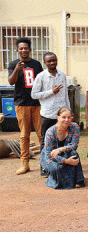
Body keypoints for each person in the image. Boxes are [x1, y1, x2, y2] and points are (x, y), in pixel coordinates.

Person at [8, 37, 44, 175]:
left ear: (30, 50)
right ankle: (25, 163)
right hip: (21, 104)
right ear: (17, 50)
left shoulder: (36, 64)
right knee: (24, 135)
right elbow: (11, 82)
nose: (23, 50)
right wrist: (16, 70)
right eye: (21, 48)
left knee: (42, 134)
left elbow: (42, 81)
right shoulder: (13, 64)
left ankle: (44, 162)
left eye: (26, 48)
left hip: (37, 103)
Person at [31, 52, 70, 177]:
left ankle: (61, 165)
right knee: (46, 142)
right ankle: (44, 167)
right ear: (45, 63)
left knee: (62, 141)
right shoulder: (41, 76)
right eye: (49, 61)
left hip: (61, 116)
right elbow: (34, 94)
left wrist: (68, 111)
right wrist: (50, 92)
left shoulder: (62, 75)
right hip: (47, 114)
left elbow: (65, 95)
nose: (52, 63)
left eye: (54, 60)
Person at [40, 107, 84, 189]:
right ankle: (55, 180)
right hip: (50, 157)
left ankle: (78, 180)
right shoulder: (50, 132)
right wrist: (66, 161)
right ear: (58, 118)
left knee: (74, 154)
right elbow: (49, 154)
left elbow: (74, 146)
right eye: (63, 117)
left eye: (69, 117)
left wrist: (61, 149)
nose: (66, 120)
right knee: (58, 167)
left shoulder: (75, 127)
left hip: (65, 152)